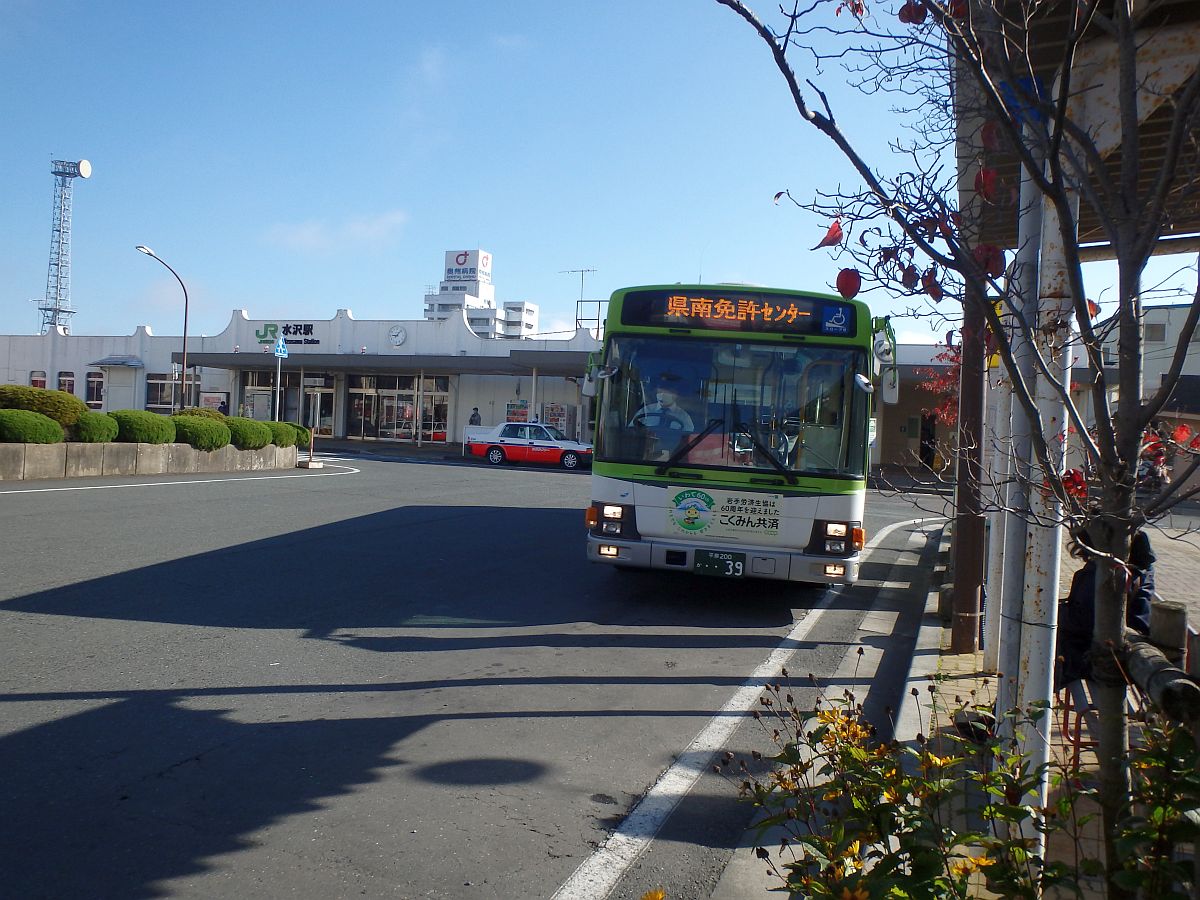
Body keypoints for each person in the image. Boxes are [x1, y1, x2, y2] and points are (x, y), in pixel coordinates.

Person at [1055, 525, 1155, 690]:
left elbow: (1083, 621)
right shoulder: (1139, 568)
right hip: (1115, 651)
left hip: (1098, 655)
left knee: (1034, 649)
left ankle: (1009, 709)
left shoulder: (1107, 573)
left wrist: (1054, 613)